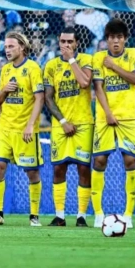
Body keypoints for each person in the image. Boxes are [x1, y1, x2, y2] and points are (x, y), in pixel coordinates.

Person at [91, 19, 135, 229]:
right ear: (107, 39)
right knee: (99, 161)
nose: (115, 41)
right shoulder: (98, 57)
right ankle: (98, 214)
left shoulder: (133, 54)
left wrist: (113, 66)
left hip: (128, 118)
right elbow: (98, 87)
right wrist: (108, 113)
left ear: (125, 39)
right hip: (105, 118)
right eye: (112, 37)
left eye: (119, 37)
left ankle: (128, 214)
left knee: (130, 161)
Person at [0, 32, 45, 227]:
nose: (7, 50)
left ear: (22, 47)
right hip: (5, 127)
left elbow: (40, 98)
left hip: (25, 130)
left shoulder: (32, 68)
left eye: (11, 46)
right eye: (6, 47)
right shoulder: (5, 69)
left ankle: (34, 215)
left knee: (32, 172)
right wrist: (4, 90)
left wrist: (30, 125)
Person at [43, 28, 93, 227]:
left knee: (84, 169)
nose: (66, 45)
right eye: (63, 41)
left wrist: (71, 59)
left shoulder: (86, 60)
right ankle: (60, 216)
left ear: (77, 43)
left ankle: (81, 216)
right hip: (60, 125)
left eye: (70, 42)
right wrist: (63, 121)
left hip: (83, 123)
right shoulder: (51, 65)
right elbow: (48, 98)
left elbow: (84, 82)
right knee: (58, 169)